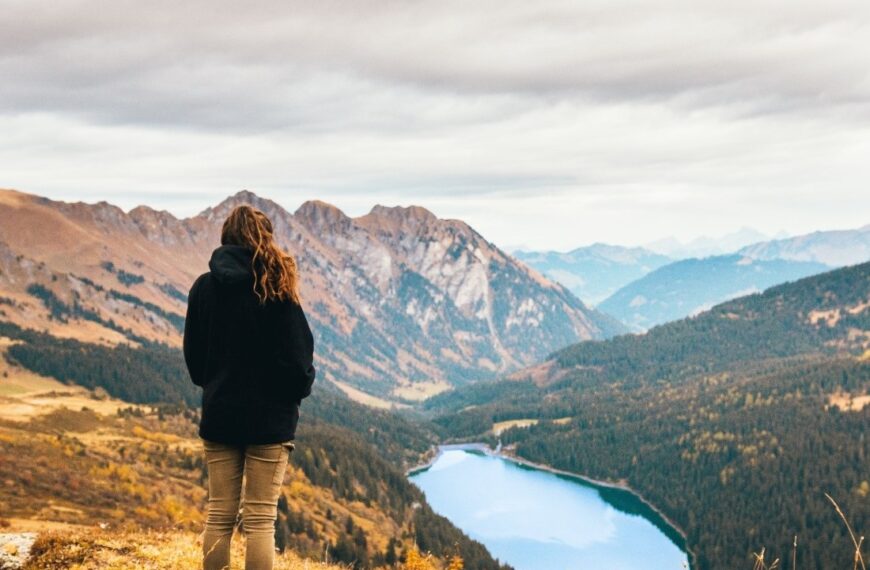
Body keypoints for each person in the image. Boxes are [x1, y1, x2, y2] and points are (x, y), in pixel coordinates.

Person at [183, 204, 316, 570]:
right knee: (259, 520)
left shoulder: (203, 288)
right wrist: (297, 390)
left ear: (226, 239)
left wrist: (215, 385)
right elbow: (298, 362)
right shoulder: (276, 287)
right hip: (269, 422)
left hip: (220, 413)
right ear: (264, 239)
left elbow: (195, 361)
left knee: (219, 515)